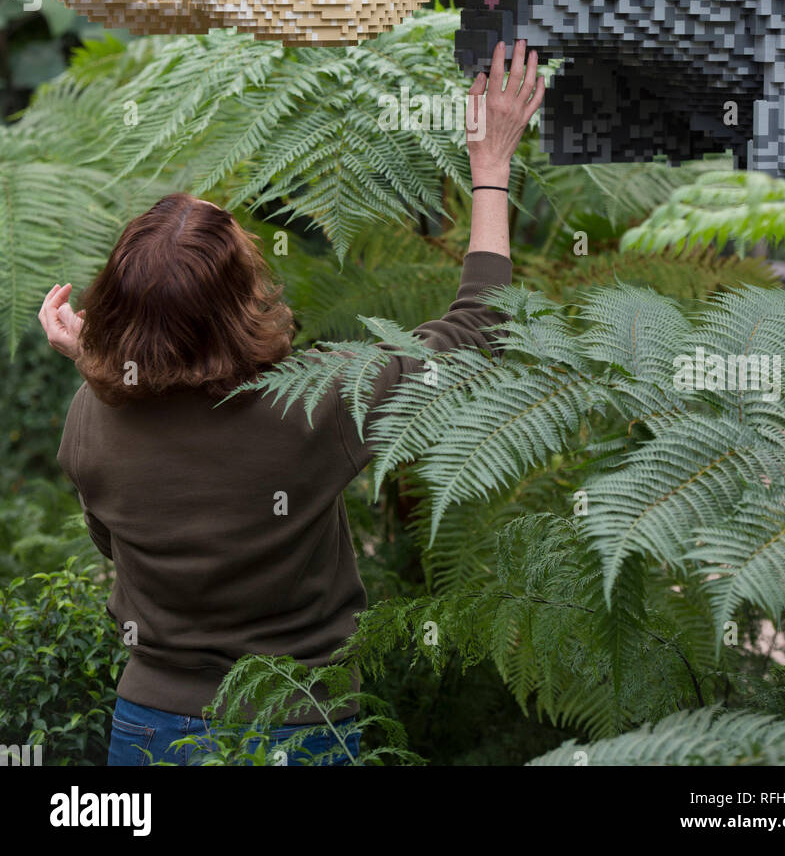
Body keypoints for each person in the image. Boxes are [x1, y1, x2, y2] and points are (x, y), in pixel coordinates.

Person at [38, 40, 544, 766]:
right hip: (298, 729)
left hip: (150, 728)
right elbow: (481, 327)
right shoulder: (321, 401)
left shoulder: (90, 418)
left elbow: (119, 524)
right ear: (244, 301)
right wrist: (490, 169)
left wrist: (99, 357)